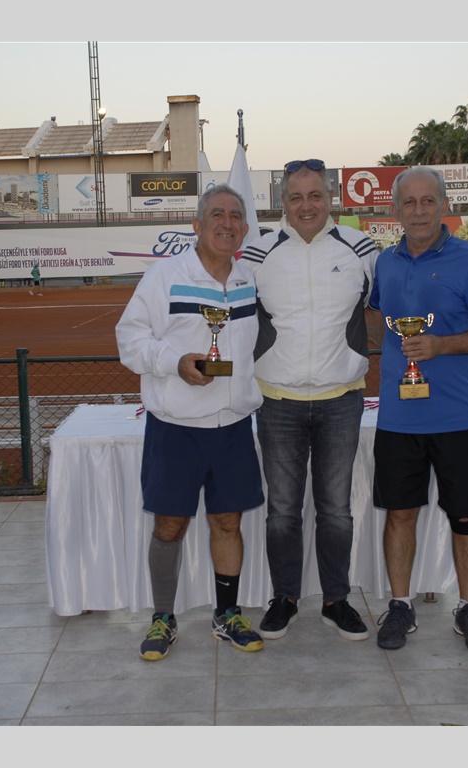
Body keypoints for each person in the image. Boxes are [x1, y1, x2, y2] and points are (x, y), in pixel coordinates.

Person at [116, 184, 266, 661]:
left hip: (233, 425)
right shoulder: (165, 276)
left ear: (245, 228)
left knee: (228, 521)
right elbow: (129, 338)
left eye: (235, 216)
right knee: (170, 524)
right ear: (197, 225)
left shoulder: (249, 279)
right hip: (176, 427)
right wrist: (174, 361)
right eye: (216, 214)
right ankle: (163, 617)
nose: (227, 223)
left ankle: (227, 615)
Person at [368, 166, 468, 653]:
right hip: (398, 416)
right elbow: (376, 317)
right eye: (409, 202)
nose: (419, 211)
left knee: (466, 517)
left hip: (458, 416)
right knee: (399, 514)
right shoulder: (386, 263)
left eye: (428, 201)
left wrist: (441, 345)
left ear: (444, 205)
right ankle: (400, 605)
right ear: (395, 210)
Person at [240, 159, 378, 642]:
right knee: (282, 510)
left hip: (342, 399)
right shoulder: (256, 254)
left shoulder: (361, 249)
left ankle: (336, 600)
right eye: (296, 197)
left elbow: (388, 306)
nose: (306, 205)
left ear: (330, 199)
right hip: (278, 401)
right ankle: (285, 598)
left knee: (336, 510)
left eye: (315, 195)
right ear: (282, 202)